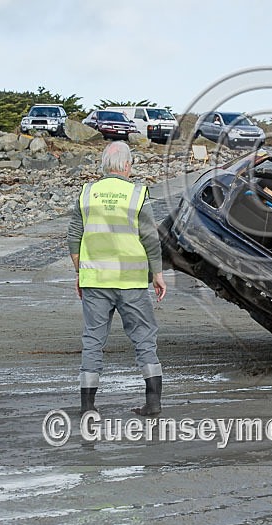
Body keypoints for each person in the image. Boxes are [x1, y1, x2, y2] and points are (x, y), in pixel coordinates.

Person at [67, 141, 167, 415]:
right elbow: (150, 237)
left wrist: (80, 272)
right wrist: (157, 274)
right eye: (131, 164)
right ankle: (153, 402)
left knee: (93, 341)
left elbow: (74, 236)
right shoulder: (135, 194)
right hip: (131, 281)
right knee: (144, 339)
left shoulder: (88, 193)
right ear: (125, 165)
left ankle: (88, 407)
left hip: (95, 281)